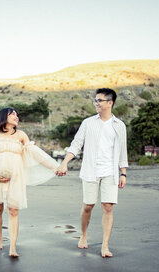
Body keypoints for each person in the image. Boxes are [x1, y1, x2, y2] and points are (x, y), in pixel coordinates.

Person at [0, 107, 59, 257]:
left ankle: (13, 247)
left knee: (13, 210)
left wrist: (55, 167)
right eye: (13, 114)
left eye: (17, 114)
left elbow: (36, 154)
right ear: (4, 117)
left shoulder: (21, 135)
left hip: (16, 178)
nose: (16, 116)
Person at [56, 88, 128, 258]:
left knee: (108, 207)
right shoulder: (88, 123)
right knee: (88, 206)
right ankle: (84, 235)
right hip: (90, 170)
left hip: (110, 172)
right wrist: (64, 163)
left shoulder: (119, 125)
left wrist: (123, 173)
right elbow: (76, 144)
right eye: (95, 100)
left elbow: (123, 150)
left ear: (110, 103)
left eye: (100, 100)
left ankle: (105, 246)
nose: (96, 103)